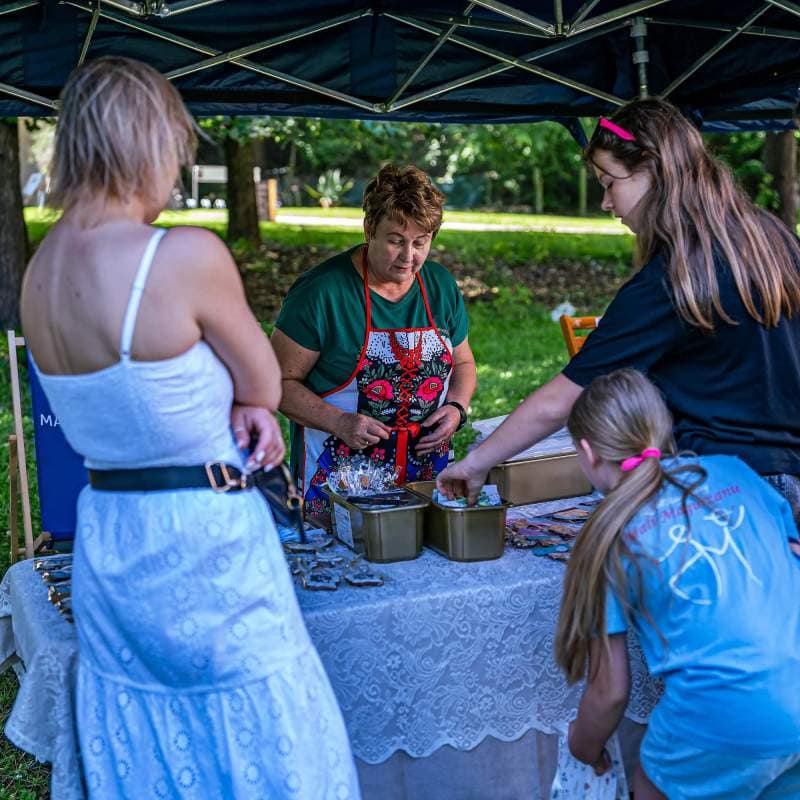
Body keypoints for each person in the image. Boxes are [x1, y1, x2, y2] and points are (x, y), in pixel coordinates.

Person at [20, 56, 360, 799]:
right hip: (202, 540)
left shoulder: (38, 274)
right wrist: (243, 398)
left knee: (146, 748)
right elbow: (265, 381)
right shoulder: (182, 254)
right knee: (259, 737)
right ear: (147, 143)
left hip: (109, 534)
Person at [436, 98, 800, 523]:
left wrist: (476, 461)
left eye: (610, 182)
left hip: (725, 493)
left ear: (653, 169)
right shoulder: (772, 239)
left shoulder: (675, 278)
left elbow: (561, 400)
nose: (606, 202)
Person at [555, 369, 800, 799]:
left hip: (720, 713)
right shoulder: (735, 471)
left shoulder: (607, 533)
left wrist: (583, 745)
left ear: (588, 451)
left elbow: (609, 691)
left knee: (650, 787)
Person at [272, 164, 477, 517]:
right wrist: (338, 422)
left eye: (420, 243)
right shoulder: (322, 293)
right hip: (340, 485)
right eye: (396, 240)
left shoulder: (440, 286)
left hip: (427, 478)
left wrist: (456, 408)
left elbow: (463, 363)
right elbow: (275, 384)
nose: (408, 257)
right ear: (369, 230)